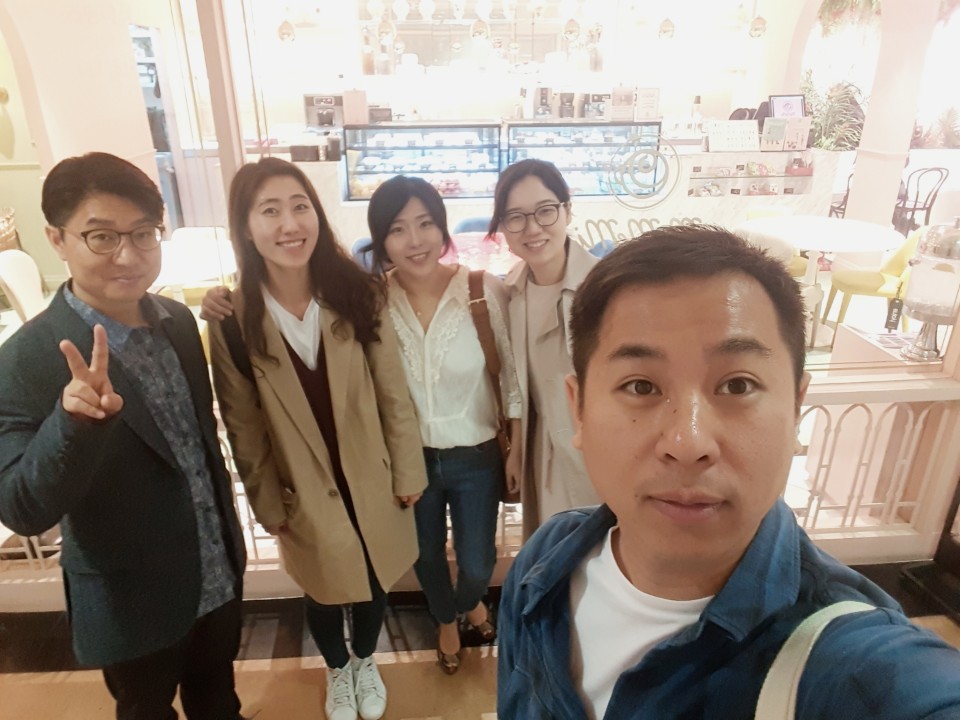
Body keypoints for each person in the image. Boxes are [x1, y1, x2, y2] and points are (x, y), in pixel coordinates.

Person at [497, 225, 960, 719]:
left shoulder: (856, 667)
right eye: (640, 386)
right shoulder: (543, 567)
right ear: (579, 410)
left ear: (796, 407)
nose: (688, 443)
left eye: (738, 385)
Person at [0, 152, 247, 719]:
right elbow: (22, 509)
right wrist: (74, 424)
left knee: (218, 702)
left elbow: (197, 447)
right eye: (102, 236)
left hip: (214, 571)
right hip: (130, 598)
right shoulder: (27, 360)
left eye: (143, 233)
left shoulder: (177, 322)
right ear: (57, 240)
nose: (129, 256)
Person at [205, 157, 426, 720]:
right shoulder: (233, 319)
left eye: (300, 206)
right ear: (245, 227)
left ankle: (365, 660)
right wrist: (266, 502)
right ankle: (337, 669)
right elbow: (243, 424)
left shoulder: (357, 292)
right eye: (269, 211)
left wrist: (408, 470)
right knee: (323, 590)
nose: (289, 224)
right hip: (300, 485)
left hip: (371, 473)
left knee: (375, 579)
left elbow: (393, 392)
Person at [365, 175, 521, 674]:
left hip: (476, 456)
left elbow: (511, 377)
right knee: (426, 554)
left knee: (477, 563)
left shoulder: (480, 291)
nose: (415, 240)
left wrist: (516, 449)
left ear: (442, 227)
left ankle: (469, 601)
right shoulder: (372, 302)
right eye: (397, 229)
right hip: (409, 460)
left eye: (426, 223)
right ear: (381, 239)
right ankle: (448, 620)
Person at [488, 158, 600, 538]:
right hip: (544, 455)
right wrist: (517, 451)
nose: (532, 228)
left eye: (545, 211)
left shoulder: (606, 287)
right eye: (515, 217)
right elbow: (521, 386)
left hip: (601, 455)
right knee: (554, 550)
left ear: (567, 210)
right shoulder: (511, 290)